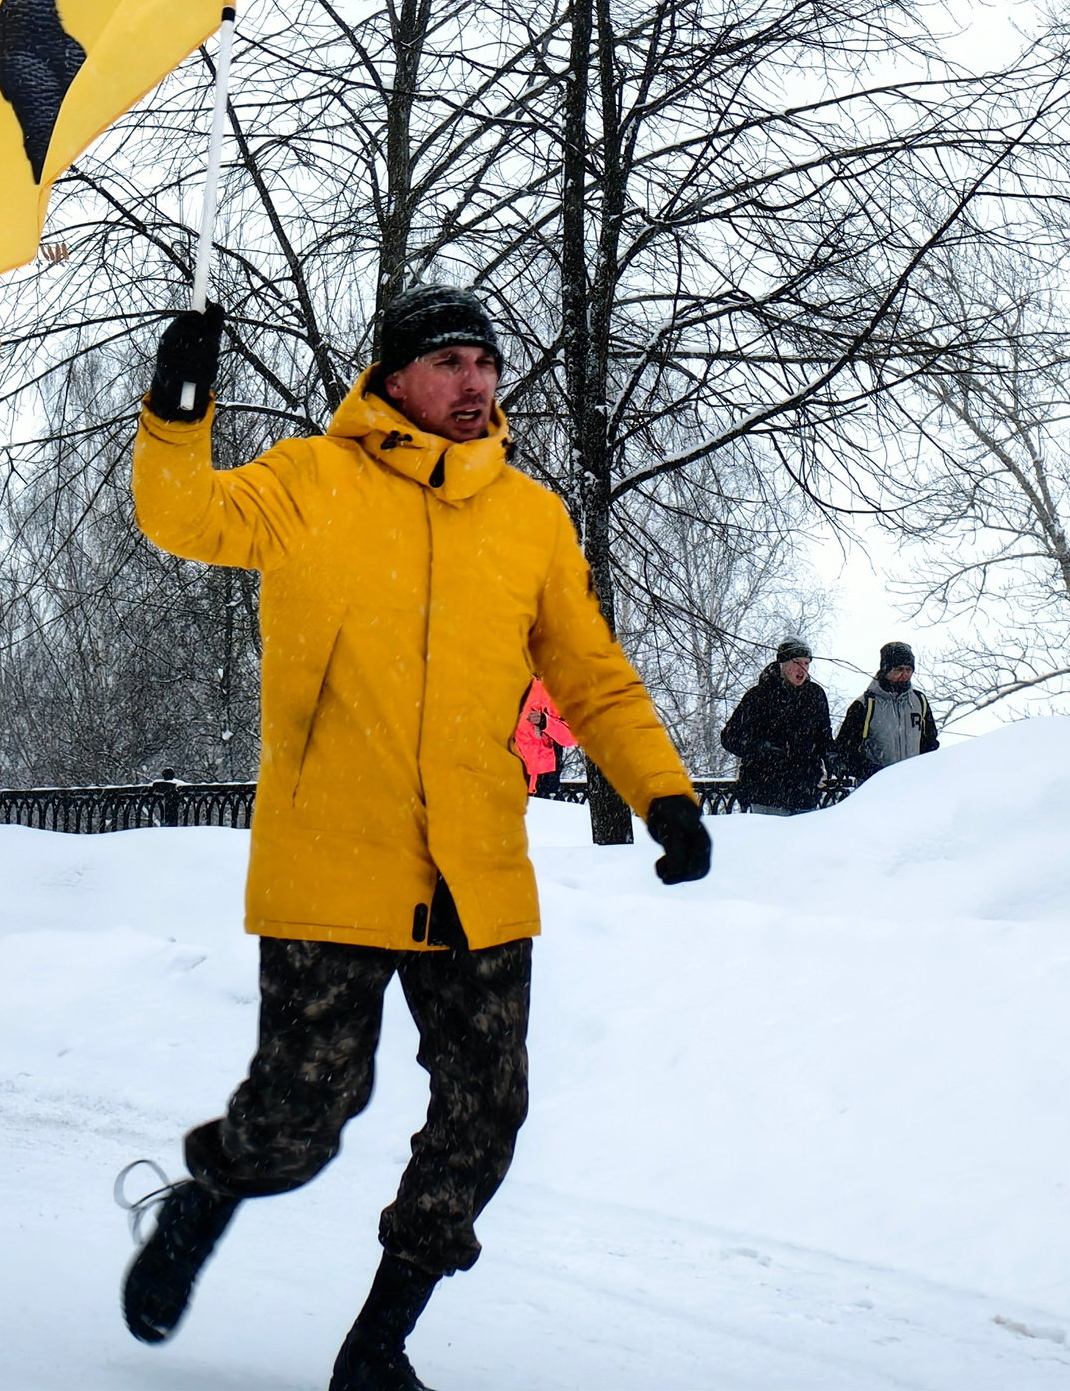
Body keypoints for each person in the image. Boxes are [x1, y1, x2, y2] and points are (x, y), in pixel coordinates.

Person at [123, 284, 711, 1391]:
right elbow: (181, 516)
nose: (474, 383)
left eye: (485, 364)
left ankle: (377, 1346)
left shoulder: (531, 517)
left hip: (475, 874)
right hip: (331, 864)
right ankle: (207, 1196)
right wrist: (179, 403)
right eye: (448, 364)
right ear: (392, 379)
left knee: (486, 1114)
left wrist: (662, 794)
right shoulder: (309, 480)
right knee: (304, 1118)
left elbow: (588, 673)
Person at [719, 638, 832, 816]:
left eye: (807, 663)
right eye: (797, 663)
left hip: (804, 793)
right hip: (766, 792)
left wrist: (832, 761)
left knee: (802, 844)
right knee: (770, 843)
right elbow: (729, 737)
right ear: (782, 663)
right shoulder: (758, 696)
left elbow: (824, 738)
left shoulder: (815, 695)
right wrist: (762, 748)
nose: (803, 669)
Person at [836, 641, 938, 782]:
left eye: (909, 670)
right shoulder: (865, 705)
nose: (905, 675)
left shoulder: (919, 701)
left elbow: (930, 743)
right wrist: (872, 772)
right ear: (885, 670)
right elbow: (845, 751)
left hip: (915, 785)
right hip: (877, 789)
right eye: (899, 669)